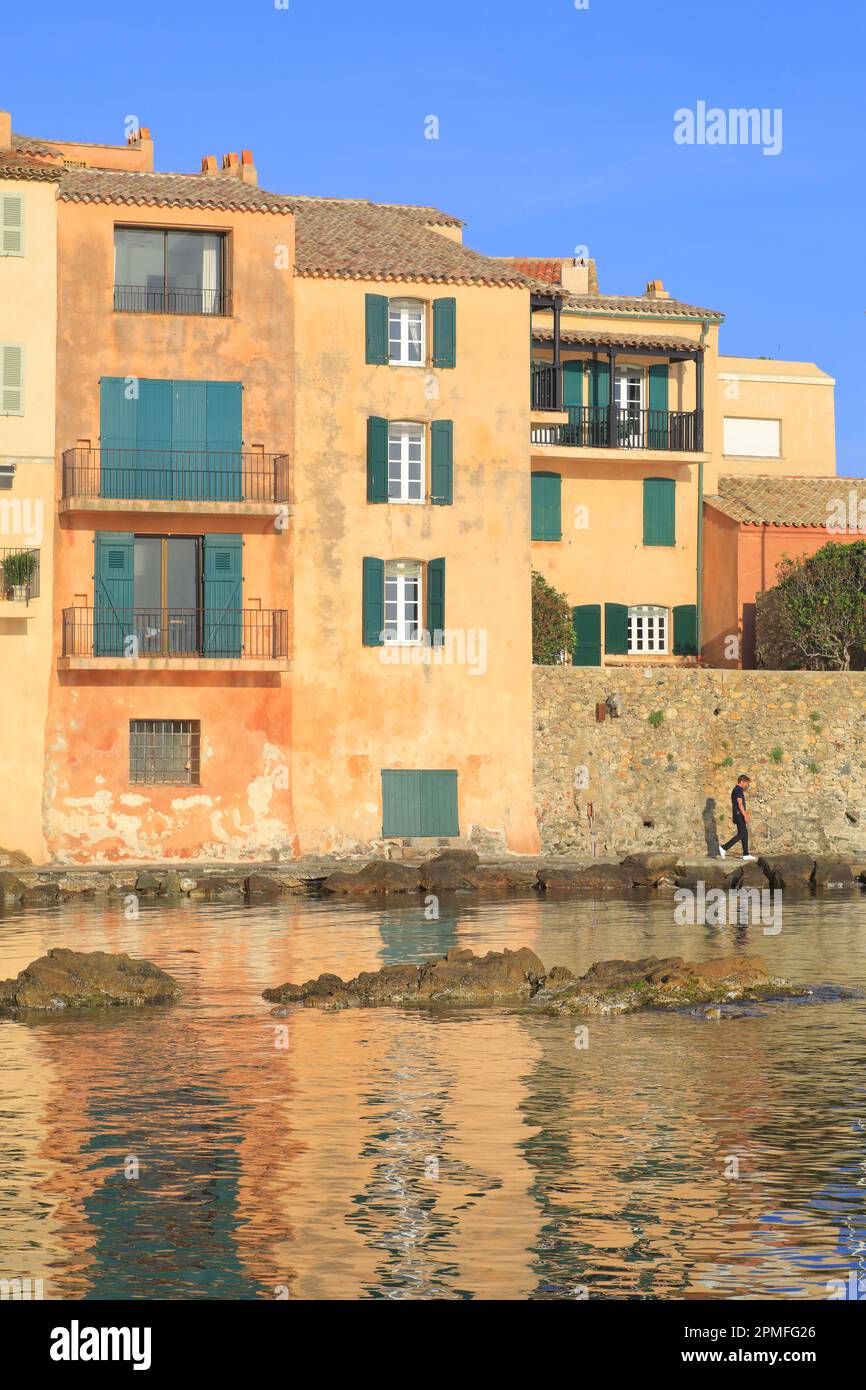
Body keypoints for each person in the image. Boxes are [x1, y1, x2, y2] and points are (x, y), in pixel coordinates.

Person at [718, 775, 757, 861]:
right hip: (739, 814)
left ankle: (746, 854)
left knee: (744, 833)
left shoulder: (736, 790)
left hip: (738, 814)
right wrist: (745, 815)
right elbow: (740, 804)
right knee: (742, 834)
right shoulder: (738, 790)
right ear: (742, 782)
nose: (747, 785)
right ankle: (723, 848)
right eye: (746, 783)